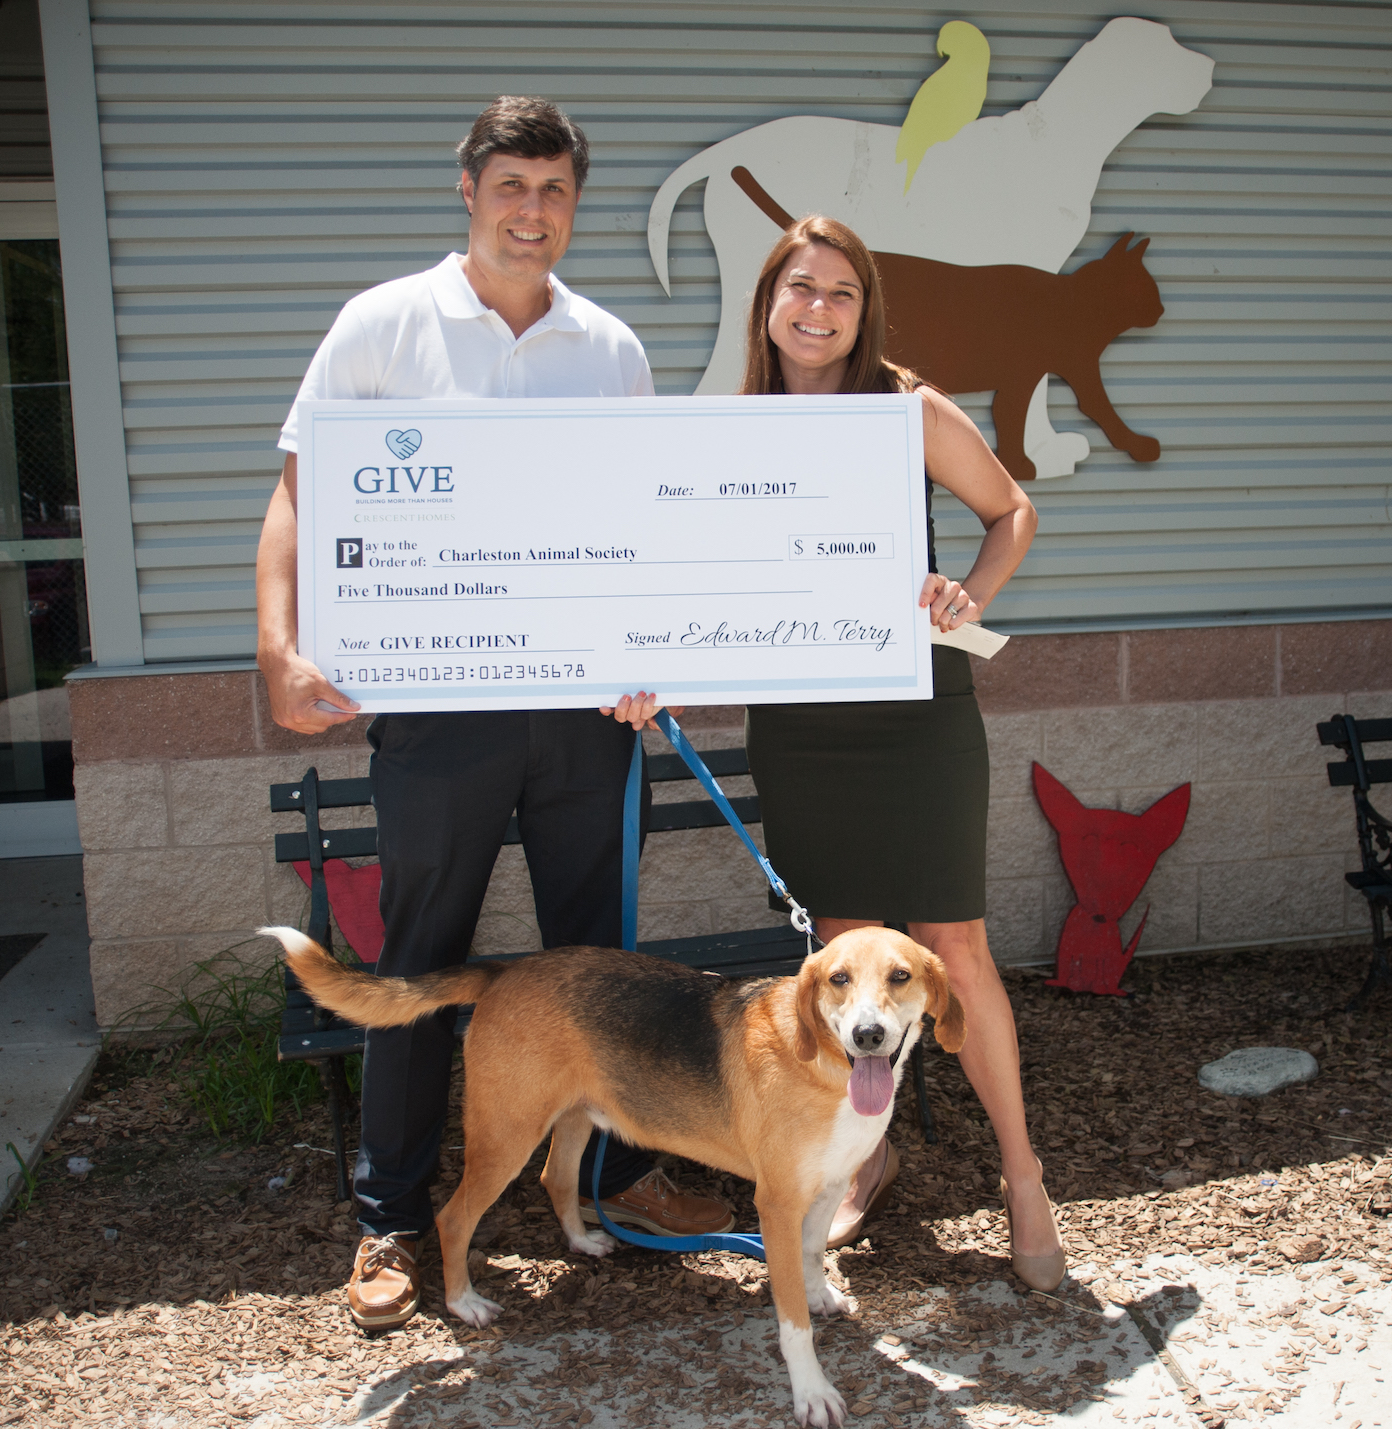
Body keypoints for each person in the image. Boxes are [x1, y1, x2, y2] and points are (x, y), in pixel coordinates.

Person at [255, 96, 731, 1333]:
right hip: (438, 717)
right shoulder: (380, 326)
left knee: (600, 969)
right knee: (419, 961)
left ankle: (608, 1187)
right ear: (466, 191)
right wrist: (279, 646)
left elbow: (639, 531)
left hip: (583, 720)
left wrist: (651, 654)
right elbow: (300, 496)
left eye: (555, 191)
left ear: (576, 206)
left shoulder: (609, 349)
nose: (533, 211)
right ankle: (389, 1223)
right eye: (510, 185)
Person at [735, 215, 1064, 1291]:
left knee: (952, 948)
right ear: (767, 304)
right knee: (843, 957)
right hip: (801, 721)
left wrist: (971, 591)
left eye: (839, 291)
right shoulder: (732, 428)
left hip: (916, 708)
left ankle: (1021, 1174)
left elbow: (1009, 509)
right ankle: (866, 1162)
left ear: (862, 307)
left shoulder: (903, 409)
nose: (817, 309)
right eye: (799, 288)